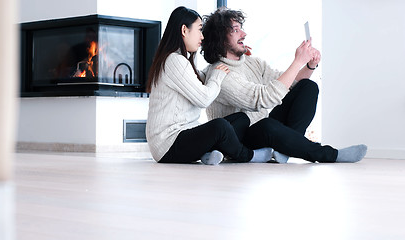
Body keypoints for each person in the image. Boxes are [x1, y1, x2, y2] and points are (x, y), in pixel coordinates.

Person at [200, 7, 367, 163]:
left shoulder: (253, 63)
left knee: (308, 87)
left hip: (264, 130)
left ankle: (285, 150)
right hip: (240, 139)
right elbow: (262, 99)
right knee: (267, 125)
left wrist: (309, 65)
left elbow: (288, 84)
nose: (243, 33)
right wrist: (297, 60)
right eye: (235, 30)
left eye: (240, 28)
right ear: (221, 40)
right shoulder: (220, 73)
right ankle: (330, 155)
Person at [146, 6, 274, 165]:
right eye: (199, 30)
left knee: (240, 118)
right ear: (184, 30)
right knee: (220, 126)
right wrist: (218, 74)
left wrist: (235, 54)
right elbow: (204, 98)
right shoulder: (175, 60)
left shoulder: (178, 60)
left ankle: (209, 153)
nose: (202, 36)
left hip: (181, 138)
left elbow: (202, 79)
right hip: (167, 144)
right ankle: (248, 155)